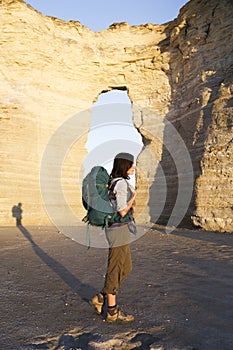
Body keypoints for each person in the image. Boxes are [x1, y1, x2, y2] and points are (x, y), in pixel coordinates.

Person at [91, 152, 137, 323]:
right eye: (131, 164)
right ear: (125, 165)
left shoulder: (116, 182)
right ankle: (112, 311)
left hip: (120, 230)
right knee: (115, 268)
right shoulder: (120, 184)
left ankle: (101, 297)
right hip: (118, 230)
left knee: (126, 268)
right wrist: (133, 197)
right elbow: (122, 210)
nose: (134, 167)